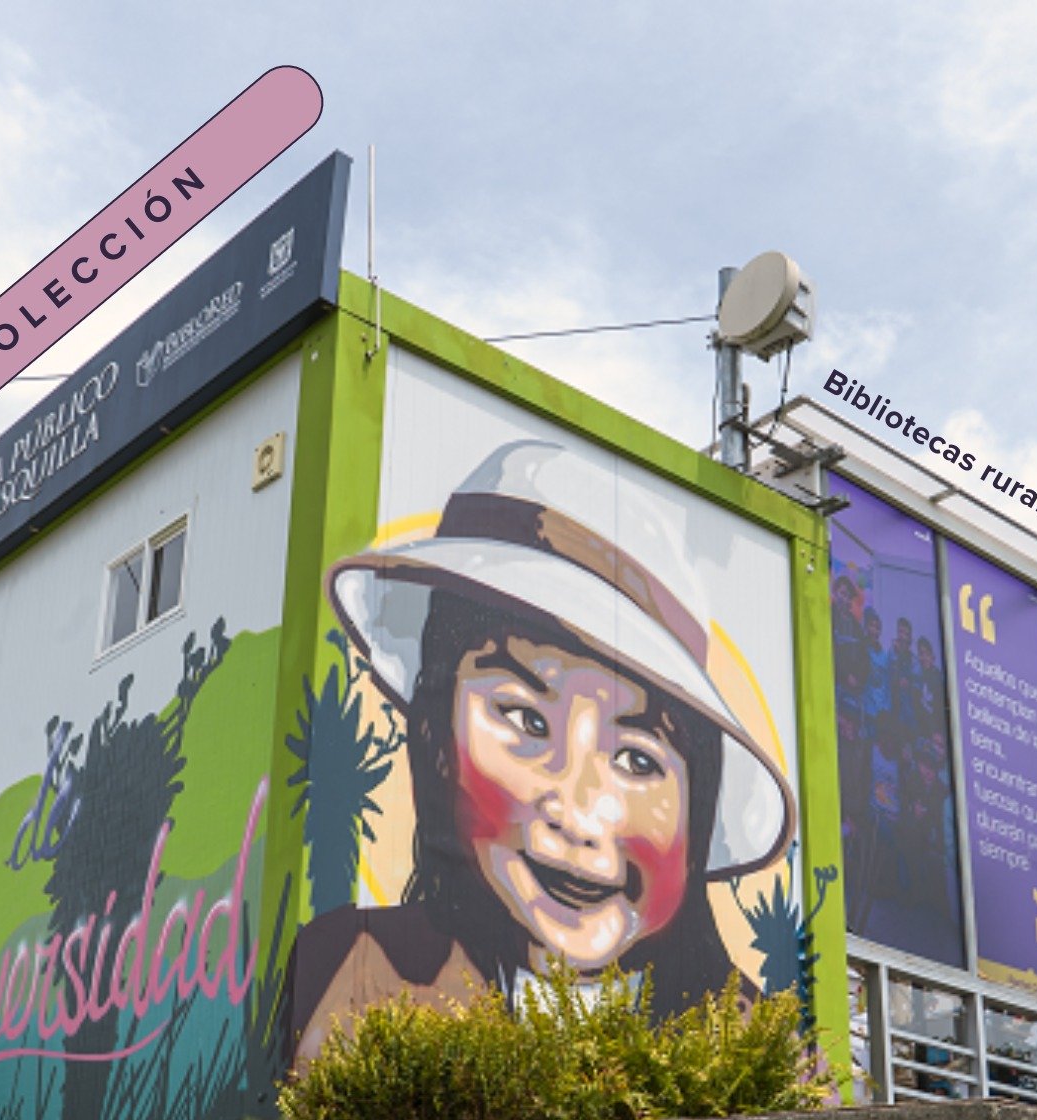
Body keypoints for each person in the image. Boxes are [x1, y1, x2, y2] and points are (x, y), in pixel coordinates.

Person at [276, 440, 796, 1068]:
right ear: (438, 737)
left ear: (699, 805)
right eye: (523, 719)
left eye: (637, 760)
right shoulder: (355, 971)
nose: (577, 812)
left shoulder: (761, 1052)